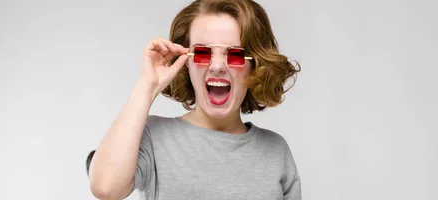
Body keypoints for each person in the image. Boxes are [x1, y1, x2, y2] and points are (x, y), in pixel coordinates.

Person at [85, 0, 302, 199]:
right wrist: (147, 87)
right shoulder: (154, 136)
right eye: (202, 53)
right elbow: (106, 187)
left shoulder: (276, 150)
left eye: (234, 54)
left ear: (254, 65)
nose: (217, 67)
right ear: (186, 62)